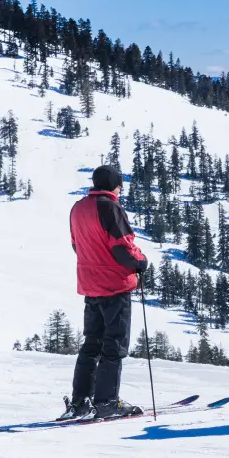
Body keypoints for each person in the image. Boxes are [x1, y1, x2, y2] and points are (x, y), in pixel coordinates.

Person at [59, 165, 148, 420]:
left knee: (91, 344)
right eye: (120, 185)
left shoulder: (78, 208)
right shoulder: (110, 208)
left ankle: (80, 402)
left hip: (90, 284)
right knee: (114, 345)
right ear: (114, 185)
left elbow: (77, 245)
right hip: (114, 285)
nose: (120, 189)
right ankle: (107, 402)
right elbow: (122, 248)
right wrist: (141, 262)